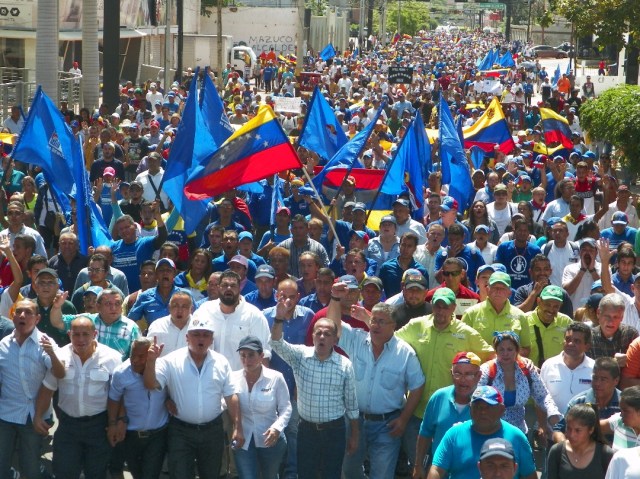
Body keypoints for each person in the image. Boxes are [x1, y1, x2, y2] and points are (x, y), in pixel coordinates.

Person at [326, 286, 425, 479]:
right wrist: (335, 299)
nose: (376, 325)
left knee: (382, 475)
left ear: (393, 326)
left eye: (382, 321)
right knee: (349, 471)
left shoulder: (405, 353)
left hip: (387, 426)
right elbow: (332, 327)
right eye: (373, 320)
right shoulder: (356, 339)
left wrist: (404, 419)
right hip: (355, 421)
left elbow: (417, 385)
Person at [396, 287, 494, 468]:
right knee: (417, 464)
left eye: (445, 307)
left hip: (449, 412)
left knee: (446, 464)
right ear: (432, 306)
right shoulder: (416, 325)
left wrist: (478, 384)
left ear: (453, 308)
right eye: (437, 306)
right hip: (417, 410)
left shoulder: (466, 332)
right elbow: (392, 343)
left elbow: (491, 356)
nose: (441, 311)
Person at [143, 317, 243, 479]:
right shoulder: (170, 361)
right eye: (196, 334)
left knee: (211, 474)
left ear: (211, 339)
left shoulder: (221, 362)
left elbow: (231, 395)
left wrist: (238, 427)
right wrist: (150, 362)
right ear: (187, 337)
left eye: (205, 335)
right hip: (181, 432)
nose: (201, 339)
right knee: (180, 474)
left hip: (212, 430)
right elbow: (150, 384)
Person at [269, 309, 359, 479]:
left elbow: (352, 404)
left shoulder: (345, 365)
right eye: (318, 333)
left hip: (335, 430)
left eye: (327, 334)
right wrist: (279, 319)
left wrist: (354, 435)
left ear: (335, 340)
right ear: (312, 336)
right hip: (307, 430)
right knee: (305, 473)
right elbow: (276, 343)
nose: (322, 337)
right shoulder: (300, 356)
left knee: (331, 474)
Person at [34, 316, 122, 479]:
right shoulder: (60, 356)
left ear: (94, 334)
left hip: (99, 426)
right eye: (76, 335)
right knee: (63, 471)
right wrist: (39, 416)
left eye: (85, 334)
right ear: (69, 334)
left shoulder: (112, 358)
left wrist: (116, 423)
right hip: (68, 426)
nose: (80, 339)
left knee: (96, 472)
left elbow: (119, 395)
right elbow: (48, 388)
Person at [0, 299, 64, 479]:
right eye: (18, 312)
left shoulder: (45, 343)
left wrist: (52, 353)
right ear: (12, 316)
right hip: (5, 414)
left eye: (28, 313)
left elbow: (60, 373)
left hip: (33, 416)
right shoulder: (3, 345)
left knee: (31, 468)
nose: (22, 316)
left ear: (37, 319)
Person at [427, 386, 537, 479]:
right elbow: (436, 469)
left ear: (501, 410)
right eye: (478, 407)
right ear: (470, 409)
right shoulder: (454, 435)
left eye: (489, 407)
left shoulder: (516, 437)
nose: (483, 412)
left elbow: (530, 475)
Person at [413, 352, 482, 478]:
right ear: (451, 374)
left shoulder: (486, 403)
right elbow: (425, 433)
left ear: (478, 376)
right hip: (439, 472)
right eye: (458, 373)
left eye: (469, 374)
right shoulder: (439, 397)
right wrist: (418, 466)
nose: (462, 379)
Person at [107, 337, 169, 479]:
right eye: (132, 355)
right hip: (130, 435)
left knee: (150, 474)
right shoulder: (121, 373)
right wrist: (113, 423)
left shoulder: (163, 369)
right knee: (136, 473)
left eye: (141, 356)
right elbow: (114, 399)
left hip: (157, 435)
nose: (135, 360)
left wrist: (169, 401)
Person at [231, 336, 291, 479]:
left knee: (270, 476)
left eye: (251, 355)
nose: (246, 360)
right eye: (243, 356)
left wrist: (277, 428)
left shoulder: (276, 378)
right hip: (243, 438)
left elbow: (286, 408)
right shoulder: (232, 378)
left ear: (261, 356)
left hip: (270, 439)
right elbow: (223, 402)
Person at [479, 331, 561, 435]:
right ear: (496, 351)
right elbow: (474, 399)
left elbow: (542, 395)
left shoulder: (527, 370)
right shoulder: (487, 370)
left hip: (519, 431)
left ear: (517, 350)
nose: (505, 353)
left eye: (510, 349)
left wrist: (553, 413)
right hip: (490, 431)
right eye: (501, 349)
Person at [191, 270, 271, 371]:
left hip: (241, 383)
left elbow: (263, 355)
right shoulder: (204, 310)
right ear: (218, 287)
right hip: (209, 381)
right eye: (224, 285)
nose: (228, 288)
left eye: (233, 286)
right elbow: (191, 345)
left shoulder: (254, 316)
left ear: (240, 288)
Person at [552, 357, 622, 444]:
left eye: (603, 379)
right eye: (595, 378)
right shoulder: (578, 402)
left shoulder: (625, 404)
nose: (597, 383)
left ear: (616, 381)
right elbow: (558, 430)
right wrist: (566, 449)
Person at [462, 272, 532, 356]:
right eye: (494, 287)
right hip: (478, 367)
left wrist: (506, 356)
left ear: (509, 292)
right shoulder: (471, 314)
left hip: (508, 368)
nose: (498, 291)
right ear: (487, 289)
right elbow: (462, 345)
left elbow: (526, 348)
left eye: (502, 288)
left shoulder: (520, 316)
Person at [540, 323, 595, 415]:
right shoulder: (548, 365)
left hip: (581, 428)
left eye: (577, 341)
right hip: (551, 427)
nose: (570, 344)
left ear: (587, 346)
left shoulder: (595, 368)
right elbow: (540, 398)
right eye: (568, 339)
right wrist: (543, 426)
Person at [547, 404, 614, 479]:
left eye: (578, 430)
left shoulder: (605, 454)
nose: (572, 435)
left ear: (591, 430)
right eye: (569, 428)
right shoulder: (556, 451)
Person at [146, 291, 193, 355]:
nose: (180, 310)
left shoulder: (199, 328)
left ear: (191, 309)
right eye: (175, 306)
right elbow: (148, 352)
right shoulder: (157, 326)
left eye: (184, 307)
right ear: (169, 307)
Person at [601, 385, 640, 451]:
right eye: (621, 410)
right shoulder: (618, 421)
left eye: (626, 411)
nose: (621, 414)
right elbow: (591, 429)